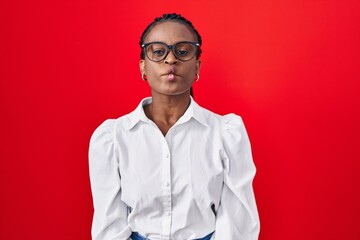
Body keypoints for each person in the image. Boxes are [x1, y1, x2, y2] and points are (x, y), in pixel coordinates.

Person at [89, 13, 260, 240]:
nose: (171, 60)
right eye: (158, 51)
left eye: (183, 51)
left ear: (197, 66)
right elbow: (108, 228)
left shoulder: (226, 134)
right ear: (143, 67)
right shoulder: (113, 138)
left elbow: (239, 222)